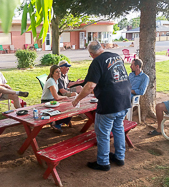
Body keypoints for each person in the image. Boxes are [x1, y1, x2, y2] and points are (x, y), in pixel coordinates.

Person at [72, 41, 131, 171]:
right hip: (125, 99)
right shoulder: (116, 56)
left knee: (103, 133)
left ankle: (103, 162)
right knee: (118, 129)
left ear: (91, 54)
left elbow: (90, 85)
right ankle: (120, 157)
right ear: (102, 48)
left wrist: (77, 99)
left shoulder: (97, 61)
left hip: (110, 102)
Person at [41, 65, 76, 133]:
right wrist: (66, 97)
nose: (59, 73)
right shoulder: (51, 81)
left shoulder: (56, 80)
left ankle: (57, 122)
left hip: (52, 101)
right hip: (47, 102)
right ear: (52, 73)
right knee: (67, 107)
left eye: (59, 71)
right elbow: (56, 97)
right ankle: (56, 123)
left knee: (71, 107)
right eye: (56, 72)